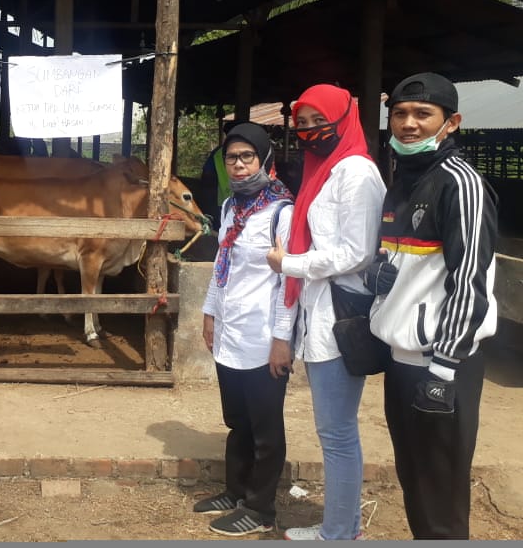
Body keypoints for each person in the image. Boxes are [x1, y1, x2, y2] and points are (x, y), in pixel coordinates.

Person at [367, 73, 498, 539]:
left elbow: (470, 280)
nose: (409, 124)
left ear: (452, 122)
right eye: (400, 114)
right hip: (403, 362)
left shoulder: (460, 184)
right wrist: (377, 281)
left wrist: (443, 371)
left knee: (441, 495)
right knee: (415, 481)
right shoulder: (402, 182)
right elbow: (404, 264)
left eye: (423, 114)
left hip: (441, 365)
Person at [266, 84, 385, 541]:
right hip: (320, 314)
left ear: (344, 119)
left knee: (336, 434)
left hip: (340, 318)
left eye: (321, 121)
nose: (312, 131)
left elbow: (357, 253)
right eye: (303, 123)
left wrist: (289, 264)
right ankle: (342, 526)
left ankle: (338, 534)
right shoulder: (323, 170)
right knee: (333, 431)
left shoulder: (356, 172)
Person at [196, 123, 295, 537]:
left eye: (247, 157)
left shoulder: (282, 213)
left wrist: (282, 340)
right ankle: (235, 491)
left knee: (265, 427)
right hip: (231, 332)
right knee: (237, 419)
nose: (238, 165)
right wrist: (209, 314)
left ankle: (260, 508)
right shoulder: (229, 208)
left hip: (264, 336)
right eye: (231, 158)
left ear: (265, 160)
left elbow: (290, 284)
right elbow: (224, 268)